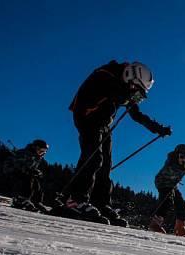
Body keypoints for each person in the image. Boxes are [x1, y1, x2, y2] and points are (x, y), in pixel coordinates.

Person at [65, 60, 172, 226]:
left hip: (103, 123)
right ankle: (75, 200)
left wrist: (158, 128)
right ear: (130, 76)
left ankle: (101, 203)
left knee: (106, 163)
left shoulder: (125, 87)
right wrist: (128, 95)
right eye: (135, 88)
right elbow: (110, 93)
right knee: (94, 157)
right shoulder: (106, 75)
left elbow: (136, 114)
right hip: (86, 116)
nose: (134, 92)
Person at [149, 144, 185, 237]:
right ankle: (155, 224)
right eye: (182, 157)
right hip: (163, 183)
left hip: (173, 186)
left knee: (181, 203)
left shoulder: (184, 165)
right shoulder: (171, 160)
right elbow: (173, 167)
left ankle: (180, 228)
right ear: (177, 154)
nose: (184, 159)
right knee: (167, 200)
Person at [5, 139, 50, 213]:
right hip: (12, 170)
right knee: (27, 180)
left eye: (44, 151)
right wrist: (28, 170)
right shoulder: (25, 153)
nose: (42, 153)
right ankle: (21, 199)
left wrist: (37, 172)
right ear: (36, 148)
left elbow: (32, 168)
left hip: (24, 172)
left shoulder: (37, 157)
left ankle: (36, 201)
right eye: (41, 150)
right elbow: (17, 164)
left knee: (36, 183)